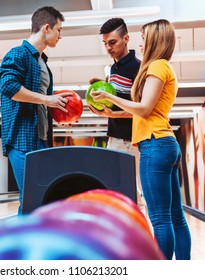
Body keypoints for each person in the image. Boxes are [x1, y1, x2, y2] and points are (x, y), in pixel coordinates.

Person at [90, 19, 192, 260]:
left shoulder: (156, 67)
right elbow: (145, 108)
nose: (142, 43)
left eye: (145, 38)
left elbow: (144, 108)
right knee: (175, 216)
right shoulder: (164, 67)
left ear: (155, 39)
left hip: (154, 143)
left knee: (160, 218)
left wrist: (108, 97)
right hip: (166, 142)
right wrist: (112, 108)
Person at [0, 6, 71, 214]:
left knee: (42, 200)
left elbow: (43, 103)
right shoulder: (18, 54)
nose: (60, 35)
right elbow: (9, 87)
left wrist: (58, 108)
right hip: (21, 138)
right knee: (32, 200)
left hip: (40, 139)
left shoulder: (43, 63)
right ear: (46, 28)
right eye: (59, 30)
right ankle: (21, 245)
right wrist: (47, 99)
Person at [88, 18, 145, 213]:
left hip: (132, 140)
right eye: (105, 43)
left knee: (134, 193)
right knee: (114, 190)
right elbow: (117, 95)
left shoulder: (138, 68)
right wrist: (100, 88)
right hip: (114, 137)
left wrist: (113, 113)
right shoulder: (113, 68)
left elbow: (141, 109)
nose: (108, 48)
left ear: (126, 39)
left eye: (112, 42)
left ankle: (139, 235)